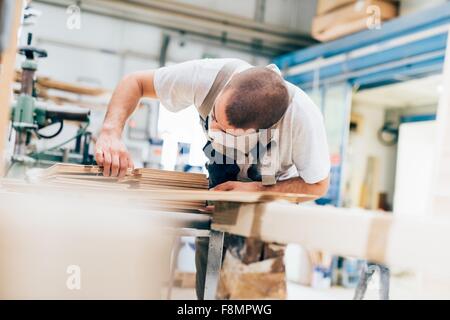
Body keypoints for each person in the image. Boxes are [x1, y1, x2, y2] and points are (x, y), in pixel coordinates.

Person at [95, 58, 331, 299]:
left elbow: (318, 185)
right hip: (217, 197)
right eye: (215, 116)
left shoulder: (302, 120)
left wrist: (255, 191)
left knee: (251, 292)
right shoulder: (207, 77)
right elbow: (134, 82)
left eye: (226, 130)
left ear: (261, 130)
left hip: (266, 206)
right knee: (209, 284)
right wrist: (110, 132)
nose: (214, 129)